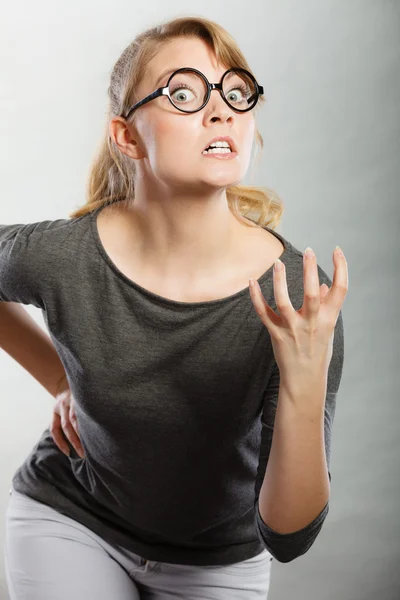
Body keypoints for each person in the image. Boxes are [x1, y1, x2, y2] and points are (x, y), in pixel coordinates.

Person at [1, 15, 347, 600]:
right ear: (127, 136)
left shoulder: (293, 294)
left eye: (235, 92)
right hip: (70, 520)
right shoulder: (66, 256)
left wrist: (304, 384)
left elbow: (288, 536)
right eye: (184, 93)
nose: (221, 110)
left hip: (216, 561)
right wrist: (61, 379)